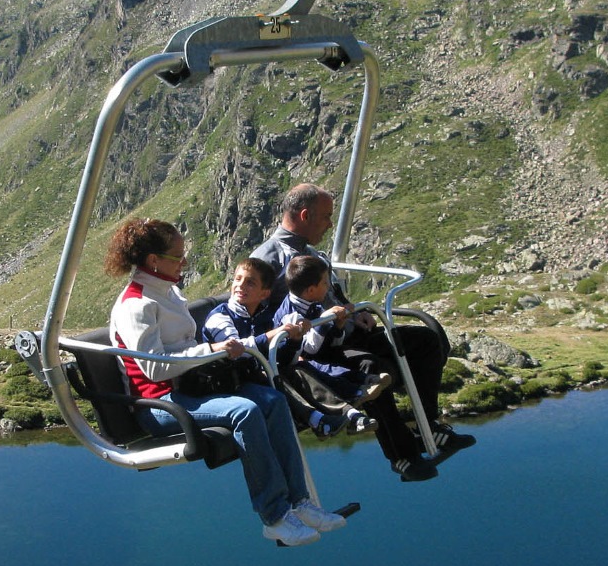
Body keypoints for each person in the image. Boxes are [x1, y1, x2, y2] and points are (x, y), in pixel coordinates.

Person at [105, 217, 345, 546]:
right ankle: (274, 516)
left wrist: (212, 352)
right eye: (178, 256)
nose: (184, 261)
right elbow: (153, 369)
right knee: (244, 411)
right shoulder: (137, 305)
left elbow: (183, 347)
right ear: (154, 261)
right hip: (161, 403)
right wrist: (212, 349)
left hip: (193, 388)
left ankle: (300, 503)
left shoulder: (167, 292)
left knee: (272, 401)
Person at [251, 183, 476, 482]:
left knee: (425, 341)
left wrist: (356, 313)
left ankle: (428, 426)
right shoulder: (267, 259)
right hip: (316, 347)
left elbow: (334, 295)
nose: (331, 224)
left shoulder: (311, 253)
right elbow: (257, 315)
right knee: (371, 369)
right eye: (326, 217)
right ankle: (403, 457)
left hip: (345, 331)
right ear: (305, 215)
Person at [202, 257, 373, 438]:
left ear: (264, 294)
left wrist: (294, 342)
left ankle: (348, 412)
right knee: (275, 377)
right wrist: (274, 335)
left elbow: (283, 359)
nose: (240, 285)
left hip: (255, 374)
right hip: (228, 382)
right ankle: (319, 418)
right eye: (237, 279)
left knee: (296, 368)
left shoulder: (263, 318)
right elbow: (236, 350)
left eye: (250, 282)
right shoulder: (220, 317)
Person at [273, 254, 390, 432]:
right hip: (300, 359)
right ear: (311, 290)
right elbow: (310, 348)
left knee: (352, 361)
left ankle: (364, 383)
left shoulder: (313, 303)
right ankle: (357, 394)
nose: (328, 288)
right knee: (323, 370)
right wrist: (325, 320)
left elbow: (332, 343)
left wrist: (338, 326)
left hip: (321, 351)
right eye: (325, 283)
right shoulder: (292, 315)